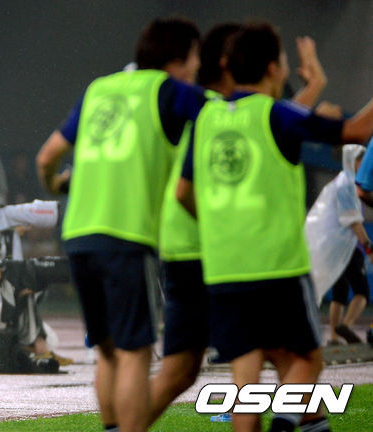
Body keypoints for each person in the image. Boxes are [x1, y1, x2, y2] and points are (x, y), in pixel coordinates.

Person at [177, 22, 373, 432]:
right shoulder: (277, 114)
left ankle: (298, 421)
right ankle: (284, 423)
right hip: (276, 265)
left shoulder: (209, 118)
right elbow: (356, 130)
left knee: (246, 379)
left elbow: (183, 193)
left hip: (225, 268)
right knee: (308, 361)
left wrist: (218, 227)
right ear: (273, 68)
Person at [149, 23, 330, 426]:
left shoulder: (208, 110)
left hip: (195, 247)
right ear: (228, 63)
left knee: (263, 363)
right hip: (209, 247)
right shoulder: (215, 109)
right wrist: (314, 92)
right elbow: (274, 126)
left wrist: (313, 89)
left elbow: (275, 124)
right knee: (287, 359)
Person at [37, 16, 207, 432]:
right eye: (195, 57)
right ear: (177, 60)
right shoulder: (170, 90)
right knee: (135, 351)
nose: (197, 67)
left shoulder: (98, 88)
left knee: (109, 351)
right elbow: (227, 114)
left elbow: (47, 157)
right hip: (127, 236)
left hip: (78, 235)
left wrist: (56, 184)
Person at [306, 144, 370, 345]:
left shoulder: (341, 182)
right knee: (362, 291)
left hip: (335, 247)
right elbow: (353, 220)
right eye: (364, 162)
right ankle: (346, 325)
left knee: (339, 291)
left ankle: (334, 336)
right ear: (355, 161)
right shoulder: (347, 184)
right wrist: (368, 246)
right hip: (347, 246)